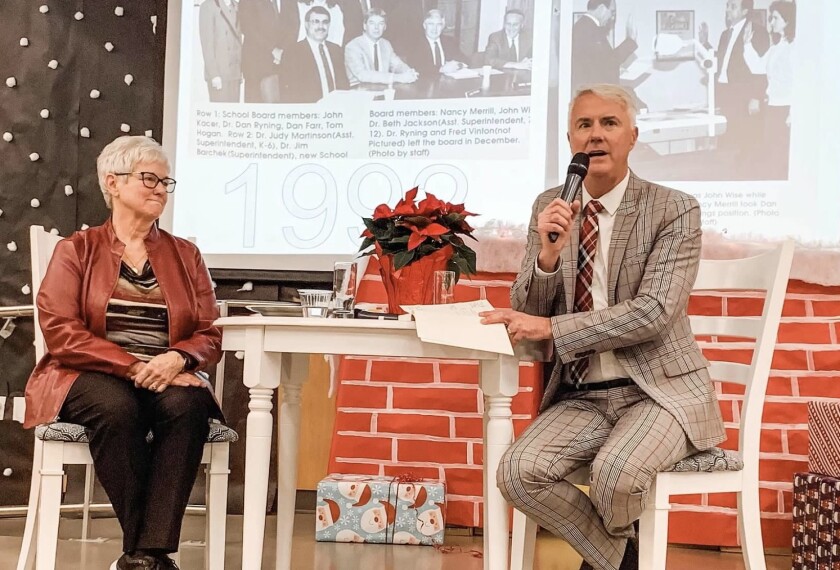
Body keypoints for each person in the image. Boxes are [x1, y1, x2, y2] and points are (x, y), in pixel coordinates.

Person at [481, 84, 725, 570]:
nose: (596, 136)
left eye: (609, 124)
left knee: (617, 474)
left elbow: (654, 311)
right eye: (584, 125)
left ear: (633, 136)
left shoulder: (673, 209)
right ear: (570, 137)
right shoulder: (550, 205)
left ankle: (602, 561)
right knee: (517, 472)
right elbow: (529, 312)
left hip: (661, 393)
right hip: (583, 395)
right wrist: (548, 254)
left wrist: (554, 328)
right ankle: (621, 558)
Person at [24, 136, 224, 570]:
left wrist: (177, 359)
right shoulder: (76, 250)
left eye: (165, 181)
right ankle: (149, 553)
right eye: (148, 178)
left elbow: (209, 333)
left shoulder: (186, 255)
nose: (159, 189)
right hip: (86, 372)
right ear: (112, 183)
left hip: (167, 373)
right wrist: (133, 366)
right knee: (115, 408)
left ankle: (142, 556)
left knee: (189, 406)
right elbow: (62, 333)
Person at [701, 0, 769, 157]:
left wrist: (756, 97)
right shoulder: (726, 34)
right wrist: (705, 44)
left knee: (744, 143)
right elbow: (722, 61)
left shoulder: (757, 32)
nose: (728, 10)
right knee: (727, 141)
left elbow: (761, 67)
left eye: (733, 6)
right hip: (725, 94)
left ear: (745, 11)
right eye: (727, 6)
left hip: (743, 97)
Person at [742, 1, 795, 177]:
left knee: (783, 158)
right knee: (772, 155)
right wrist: (747, 45)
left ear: (787, 21)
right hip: (773, 108)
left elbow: (801, 83)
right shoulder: (776, 47)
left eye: (775, 18)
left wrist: (793, 112)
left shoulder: (795, 47)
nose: (770, 22)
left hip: (787, 110)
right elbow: (758, 67)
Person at [279, 6, 350, 103]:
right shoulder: (293, 52)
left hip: (337, 108)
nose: (321, 26)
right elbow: (290, 93)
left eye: (325, 22)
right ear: (307, 24)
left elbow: (344, 85)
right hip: (310, 110)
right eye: (315, 22)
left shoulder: (336, 50)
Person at [571, 0, 638, 92]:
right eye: (612, 12)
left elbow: (600, 62)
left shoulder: (586, 26)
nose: (612, 17)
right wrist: (630, 41)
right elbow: (608, 63)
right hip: (593, 96)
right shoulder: (587, 29)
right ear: (602, 8)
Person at [239, 0, 296, 103]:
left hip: (281, 63)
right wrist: (273, 50)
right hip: (256, 65)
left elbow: (294, 25)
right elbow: (248, 27)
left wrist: (283, 50)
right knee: (256, 111)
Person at [344, 9, 418, 86]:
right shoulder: (353, 46)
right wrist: (398, 77)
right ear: (365, 26)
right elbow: (362, 75)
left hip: (383, 89)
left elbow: (397, 65)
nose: (376, 27)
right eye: (372, 23)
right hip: (360, 91)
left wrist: (408, 72)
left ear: (385, 27)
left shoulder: (386, 44)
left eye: (380, 24)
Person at [198, 0, 243, 103]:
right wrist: (214, 74)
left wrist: (240, 71)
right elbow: (207, 44)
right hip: (220, 73)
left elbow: (238, 40)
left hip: (234, 73)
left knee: (234, 115)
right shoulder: (208, 6)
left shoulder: (236, 6)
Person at [408, 9, 468, 78]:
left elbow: (465, 59)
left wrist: (458, 65)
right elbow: (417, 66)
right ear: (424, 25)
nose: (435, 29)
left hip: (448, 83)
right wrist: (441, 69)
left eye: (438, 25)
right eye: (431, 24)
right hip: (425, 84)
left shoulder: (449, 41)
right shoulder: (415, 43)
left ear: (442, 27)